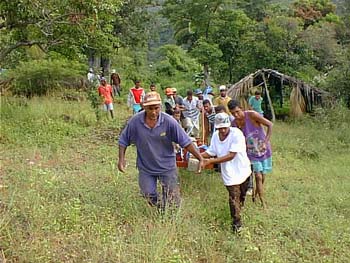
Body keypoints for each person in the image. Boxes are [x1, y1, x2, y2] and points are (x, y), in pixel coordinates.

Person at [118, 92, 204, 210]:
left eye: (156, 108)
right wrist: (121, 159)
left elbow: (185, 142)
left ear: (160, 107)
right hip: (146, 167)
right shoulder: (135, 122)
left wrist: (199, 157)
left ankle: (170, 217)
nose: (153, 112)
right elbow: (123, 140)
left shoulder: (169, 122)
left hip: (167, 167)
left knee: (172, 198)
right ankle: (161, 208)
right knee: (148, 194)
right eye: (150, 108)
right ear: (144, 107)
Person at [201, 113, 251, 233]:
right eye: (220, 128)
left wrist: (211, 161)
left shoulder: (236, 134)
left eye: (225, 127)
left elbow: (231, 155)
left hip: (242, 169)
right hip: (229, 173)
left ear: (229, 125)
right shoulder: (215, 136)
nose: (222, 130)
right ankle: (237, 225)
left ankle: (239, 211)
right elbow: (211, 151)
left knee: (241, 196)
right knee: (233, 198)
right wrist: (198, 156)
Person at [228, 99, 273, 208]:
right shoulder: (234, 124)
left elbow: (270, 125)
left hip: (263, 150)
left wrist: (265, 142)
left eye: (237, 112)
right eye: (233, 113)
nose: (236, 115)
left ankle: (256, 195)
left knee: (263, 176)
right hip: (250, 153)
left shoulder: (252, 115)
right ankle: (263, 203)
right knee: (257, 176)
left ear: (241, 108)